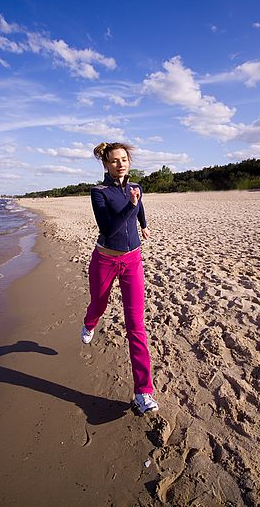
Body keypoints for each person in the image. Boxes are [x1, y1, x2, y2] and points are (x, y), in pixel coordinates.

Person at [80, 142, 159, 415]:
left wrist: (144, 225)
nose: (120, 164)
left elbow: (140, 208)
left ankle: (143, 392)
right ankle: (90, 323)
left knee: (136, 325)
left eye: (124, 159)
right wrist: (131, 207)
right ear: (105, 164)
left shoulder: (136, 187)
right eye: (114, 161)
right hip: (105, 259)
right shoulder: (98, 192)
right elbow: (108, 227)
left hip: (132, 261)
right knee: (98, 304)